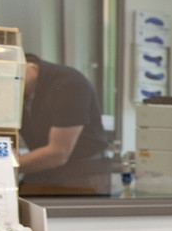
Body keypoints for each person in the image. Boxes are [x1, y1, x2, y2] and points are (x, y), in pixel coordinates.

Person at [18, 53, 112, 196]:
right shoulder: (18, 93)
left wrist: (5, 166)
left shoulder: (69, 84)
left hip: (81, 174)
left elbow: (58, 153)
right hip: (43, 171)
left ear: (27, 64)